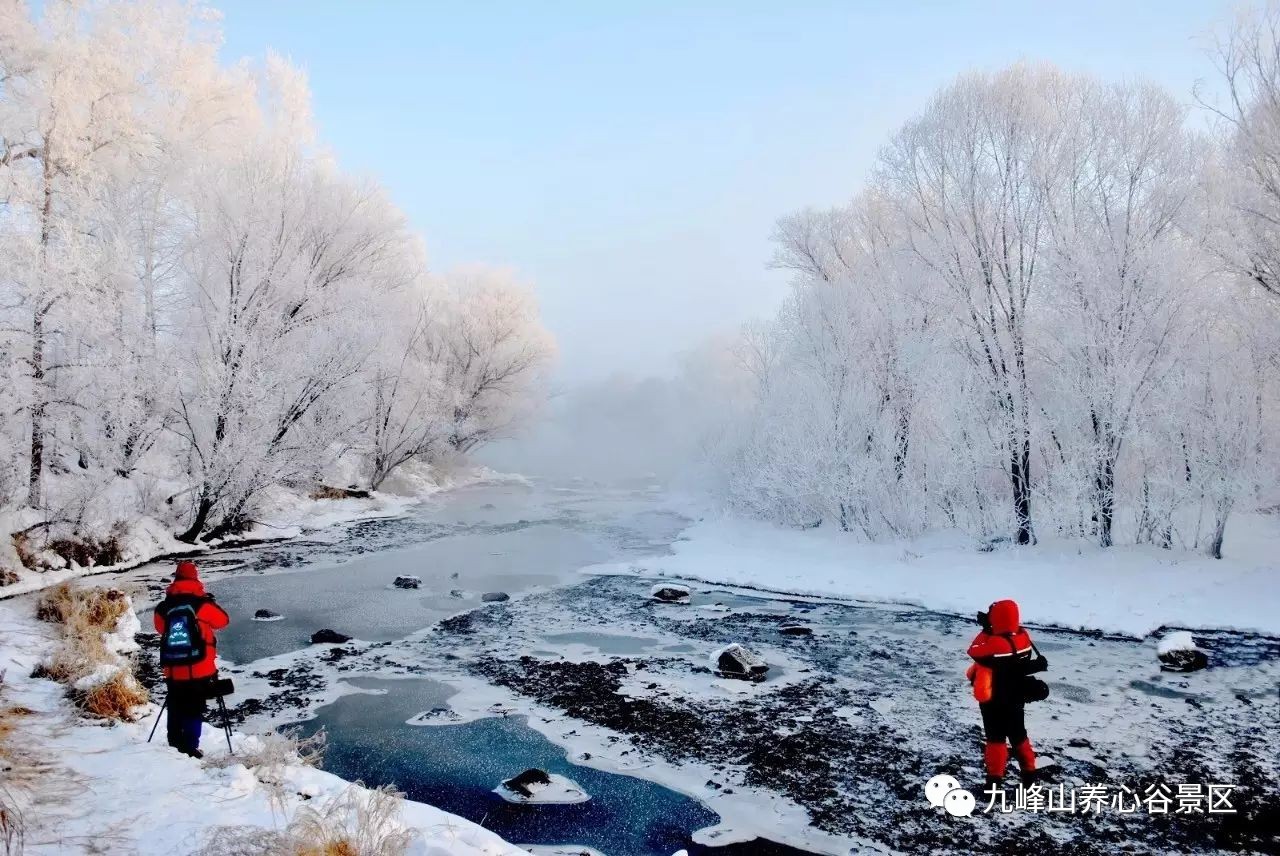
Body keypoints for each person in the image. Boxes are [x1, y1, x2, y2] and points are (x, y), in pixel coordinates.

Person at [965, 598, 1047, 788]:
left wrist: (986, 630)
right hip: (1016, 696)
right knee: (1019, 736)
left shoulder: (994, 644)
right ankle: (1029, 775)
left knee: (995, 739)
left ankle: (994, 781)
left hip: (993, 699)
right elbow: (1021, 665)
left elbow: (974, 651)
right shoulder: (1024, 637)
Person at [153, 560, 229, 758]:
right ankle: (190, 747)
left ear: (175, 578)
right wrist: (209, 602)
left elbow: (160, 628)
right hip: (199, 667)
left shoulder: (164, 607)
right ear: (196, 578)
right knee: (194, 707)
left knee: (176, 704)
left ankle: (175, 743)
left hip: (172, 668)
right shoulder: (201, 603)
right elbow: (223, 621)